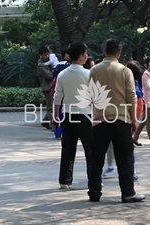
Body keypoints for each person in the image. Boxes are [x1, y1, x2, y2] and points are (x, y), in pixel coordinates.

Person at [87, 39, 145, 203]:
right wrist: (134, 119)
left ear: (105, 51)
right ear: (119, 53)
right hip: (121, 119)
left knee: (96, 158)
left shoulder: (94, 70)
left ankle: (94, 193)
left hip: (100, 121)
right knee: (125, 158)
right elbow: (131, 97)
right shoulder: (125, 71)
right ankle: (127, 193)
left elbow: (91, 95)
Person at [53, 41, 93, 190]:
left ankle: (65, 181)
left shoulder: (62, 74)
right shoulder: (88, 74)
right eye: (86, 54)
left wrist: (56, 116)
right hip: (85, 115)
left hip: (68, 115)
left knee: (68, 149)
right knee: (91, 150)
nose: (87, 56)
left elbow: (58, 97)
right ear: (81, 56)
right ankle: (94, 179)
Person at [103, 60, 142, 180]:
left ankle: (128, 170)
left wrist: (133, 118)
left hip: (125, 113)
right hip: (129, 112)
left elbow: (133, 99)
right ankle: (124, 169)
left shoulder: (129, 82)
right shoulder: (130, 81)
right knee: (125, 145)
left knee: (120, 144)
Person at [37, 46, 54, 130]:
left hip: (53, 86)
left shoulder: (51, 60)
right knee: (51, 107)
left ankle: (45, 121)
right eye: (44, 54)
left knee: (52, 105)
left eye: (47, 54)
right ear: (41, 55)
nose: (47, 56)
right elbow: (49, 75)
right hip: (47, 87)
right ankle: (54, 125)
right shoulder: (40, 65)